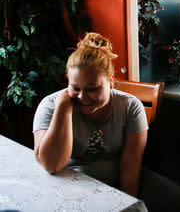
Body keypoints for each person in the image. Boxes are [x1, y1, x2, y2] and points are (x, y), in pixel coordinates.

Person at [33, 32, 148, 197]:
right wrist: (63, 109)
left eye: (92, 89)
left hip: (116, 180)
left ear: (111, 82)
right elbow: (51, 165)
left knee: (177, 196)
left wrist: (127, 205)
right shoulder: (49, 106)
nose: (82, 96)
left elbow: (130, 169)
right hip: (71, 183)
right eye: (75, 88)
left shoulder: (130, 107)